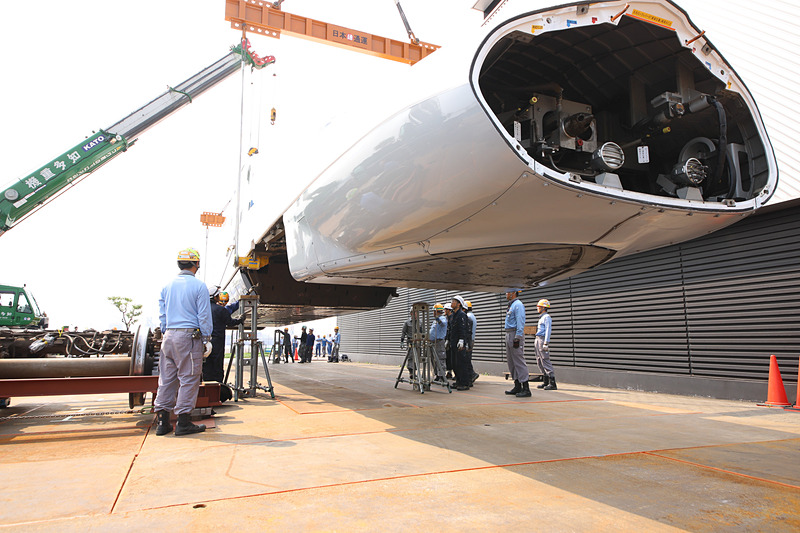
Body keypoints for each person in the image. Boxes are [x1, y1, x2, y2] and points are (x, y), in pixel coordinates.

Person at [154, 248, 213, 436]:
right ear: (197, 264)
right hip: (188, 338)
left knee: (166, 379)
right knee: (189, 378)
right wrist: (206, 338)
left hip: (168, 337)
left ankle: (163, 423)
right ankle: (183, 422)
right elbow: (203, 315)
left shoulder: (166, 286)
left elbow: (163, 317)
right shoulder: (199, 286)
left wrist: (167, 332)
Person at [203, 290, 242, 383]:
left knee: (206, 365)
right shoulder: (221, 310)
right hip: (217, 341)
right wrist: (240, 320)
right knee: (217, 366)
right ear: (216, 297)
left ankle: (207, 387)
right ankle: (218, 388)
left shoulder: (203, 309)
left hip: (205, 341)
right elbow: (230, 322)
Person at [504, 288, 531, 397]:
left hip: (515, 334)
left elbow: (520, 320)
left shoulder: (518, 305)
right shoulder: (511, 305)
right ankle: (517, 385)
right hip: (509, 333)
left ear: (513, 293)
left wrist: (518, 337)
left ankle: (526, 387)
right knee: (511, 362)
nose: (506, 294)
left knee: (519, 361)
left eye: (507, 292)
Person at [534, 299, 557, 390]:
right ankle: (545, 381)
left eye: (539, 306)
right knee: (539, 360)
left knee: (545, 360)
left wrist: (546, 343)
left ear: (544, 307)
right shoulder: (541, 318)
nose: (537, 308)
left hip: (542, 340)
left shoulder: (547, 317)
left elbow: (548, 330)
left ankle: (552, 382)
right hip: (537, 339)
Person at [449, 295, 471, 391]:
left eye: (454, 301)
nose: (452, 302)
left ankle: (465, 383)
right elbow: (451, 329)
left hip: (459, 343)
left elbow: (463, 329)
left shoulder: (461, 315)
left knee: (461, 363)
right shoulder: (454, 315)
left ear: (459, 304)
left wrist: (462, 340)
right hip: (453, 342)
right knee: (455, 363)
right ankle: (458, 380)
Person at [429, 303, 447, 381]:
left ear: (437, 311)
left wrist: (438, 319)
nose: (433, 313)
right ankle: (437, 374)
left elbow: (442, 324)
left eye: (434, 311)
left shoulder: (442, 318)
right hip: (433, 342)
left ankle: (442, 375)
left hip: (439, 342)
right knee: (434, 359)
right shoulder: (435, 321)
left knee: (440, 359)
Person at [465, 301, 479, 384]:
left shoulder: (468, 316)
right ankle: (471, 375)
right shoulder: (472, 316)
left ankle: (472, 374)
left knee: (466, 359)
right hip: (471, 340)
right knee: (467, 358)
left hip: (469, 340)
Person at [443, 303, 454, 379]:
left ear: (449, 310)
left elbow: (450, 330)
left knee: (450, 357)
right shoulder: (446, 318)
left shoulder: (451, 318)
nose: (444, 311)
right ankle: (449, 372)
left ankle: (450, 372)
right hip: (447, 339)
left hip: (450, 341)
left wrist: (448, 340)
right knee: (447, 357)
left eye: (445, 309)